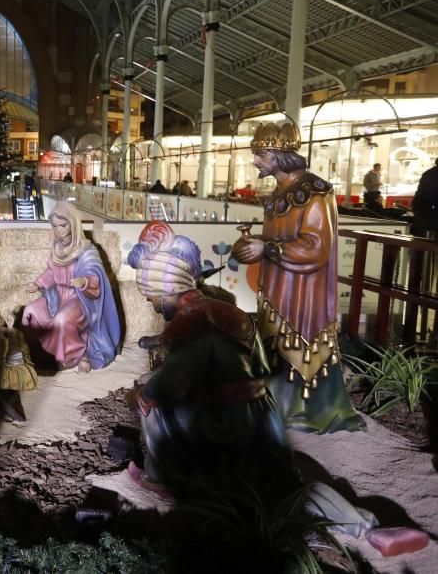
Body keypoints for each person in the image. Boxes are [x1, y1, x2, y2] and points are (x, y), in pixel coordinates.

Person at [126, 221, 298, 498]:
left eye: (154, 299)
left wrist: (137, 396)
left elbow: (169, 386)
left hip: (226, 421)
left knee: (148, 401)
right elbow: (261, 366)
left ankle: (163, 476)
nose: (155, 306)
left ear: (168, 291)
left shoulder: (192, 321)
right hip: (263, 412)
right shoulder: (226, 309)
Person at [231, 122, 364, 433]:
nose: (255, 161)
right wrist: (250, 248)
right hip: (278, 289)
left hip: (305, 295)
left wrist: (269, 248)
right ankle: (275, 398)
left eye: (261, 154)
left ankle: (304, 407)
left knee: (298, 347)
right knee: (273, 346)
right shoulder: (281, 193)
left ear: (280, 155)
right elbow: (276, 240)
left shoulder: (316, 192)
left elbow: (317, 247)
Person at [21, 201, 121, 371]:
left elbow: (95, 273)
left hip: (80, 299)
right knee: (30, 311)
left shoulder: (86, 250)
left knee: (62, 319)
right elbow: (52, 272)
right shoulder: (56, 248)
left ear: (73, 223)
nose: (58, 231)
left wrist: (85, 281)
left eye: (62, 225)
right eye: (54, 226)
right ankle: (33, 352)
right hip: (56, 296)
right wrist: (38, 283)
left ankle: (68, 357)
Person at [411, 158, 438, 237]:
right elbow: (430, 195)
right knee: (422, 238)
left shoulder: (430, 173)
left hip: (422, 208)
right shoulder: (433, 174)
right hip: (426, 210)